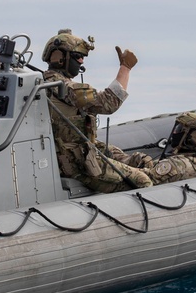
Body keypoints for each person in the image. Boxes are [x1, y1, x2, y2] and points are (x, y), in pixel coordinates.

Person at [41, 29, 153, 193]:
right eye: (77, 56)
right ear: (59, 57)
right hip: (75, 162)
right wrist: (125, 68)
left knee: (135, 160)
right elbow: (109, 103)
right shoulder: (62, 87)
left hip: (79, 150)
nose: (81, 61)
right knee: (142, 181)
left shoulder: (49, 82)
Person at [149, 112, 196, 183]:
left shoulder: (176, 164)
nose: (175, 133)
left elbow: (146, 179)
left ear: (193, 138)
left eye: (179, 129)